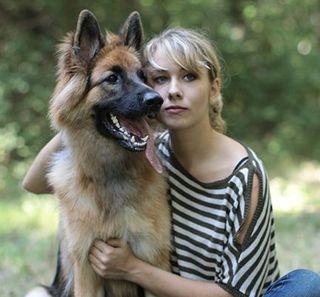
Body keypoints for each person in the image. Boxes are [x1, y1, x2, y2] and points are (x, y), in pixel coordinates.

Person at [23, 28, 320, 297]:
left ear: (214, 88)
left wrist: (130, 268)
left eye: (189, 76)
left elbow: (237, 294)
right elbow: (34, 183)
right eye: (160, 79)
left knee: (306, 285)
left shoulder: (246, 176)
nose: (173, 91)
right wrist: (78, 114)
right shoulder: (148, 151)